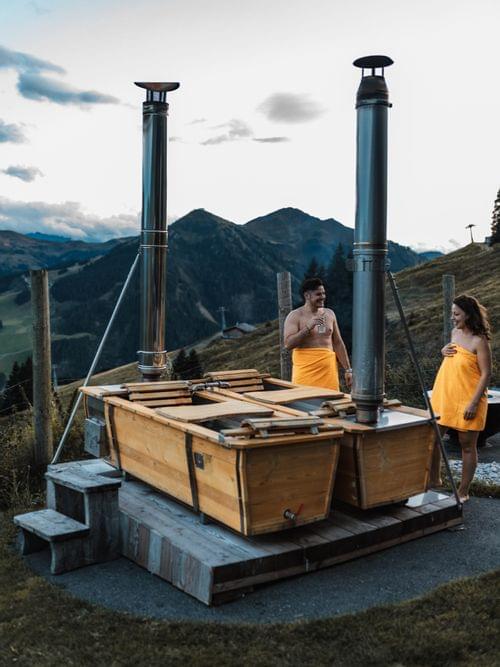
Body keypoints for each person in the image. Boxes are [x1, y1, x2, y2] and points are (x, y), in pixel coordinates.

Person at [430, 294, 492, 502]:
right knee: (433, 438)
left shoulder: (479, 340)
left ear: (468, 315)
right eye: (452, 313)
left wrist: (473, 403)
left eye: (456, 314)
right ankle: (434, 481)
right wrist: (443, 350)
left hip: (468, 399)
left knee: (467, 446)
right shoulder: (455, 332)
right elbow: (455, 358)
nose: (452, 317)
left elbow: (486, 373)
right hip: (446, 394)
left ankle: (463, 491)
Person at [284, 277, 352, 391]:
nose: (323, 297)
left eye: (324, 293)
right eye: (318, 294)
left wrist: (348, 370)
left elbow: (338, 343)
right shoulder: (295, 316)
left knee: (330, 404)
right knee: (305, 406)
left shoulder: (329, 314)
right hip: (306, 374)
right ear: (307, 296)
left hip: (328, 374)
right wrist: (308, 328)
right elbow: (288, 344)